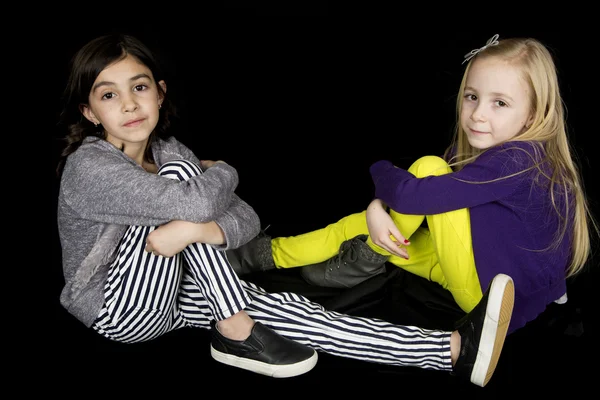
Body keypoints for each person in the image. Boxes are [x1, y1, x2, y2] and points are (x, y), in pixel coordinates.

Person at [55, 33, 515, 387]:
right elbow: (193, 201)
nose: (130, 104)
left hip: (171, 291)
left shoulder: (171, 151)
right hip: (115, 310)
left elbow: (246, 220)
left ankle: (451, 349)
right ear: (91, 112)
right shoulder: (91, 166)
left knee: (294, 311)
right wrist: (222, 171)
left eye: (138, 87)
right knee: (181, 188)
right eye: (108, 94)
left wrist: (195, 232)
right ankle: (236, 330)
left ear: (159, 92)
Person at [228, 34, 597, 336]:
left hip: (490, 302)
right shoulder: (538, 155)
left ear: (533, 113)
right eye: (472, 97)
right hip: (509, 284)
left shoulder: (516, 159)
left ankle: (352, 259)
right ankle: (265, 255)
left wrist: (379, 173)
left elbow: (408, 193)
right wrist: (377, 212)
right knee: (375, 227)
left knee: (427, 169)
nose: (478, 114)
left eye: (499, 103)